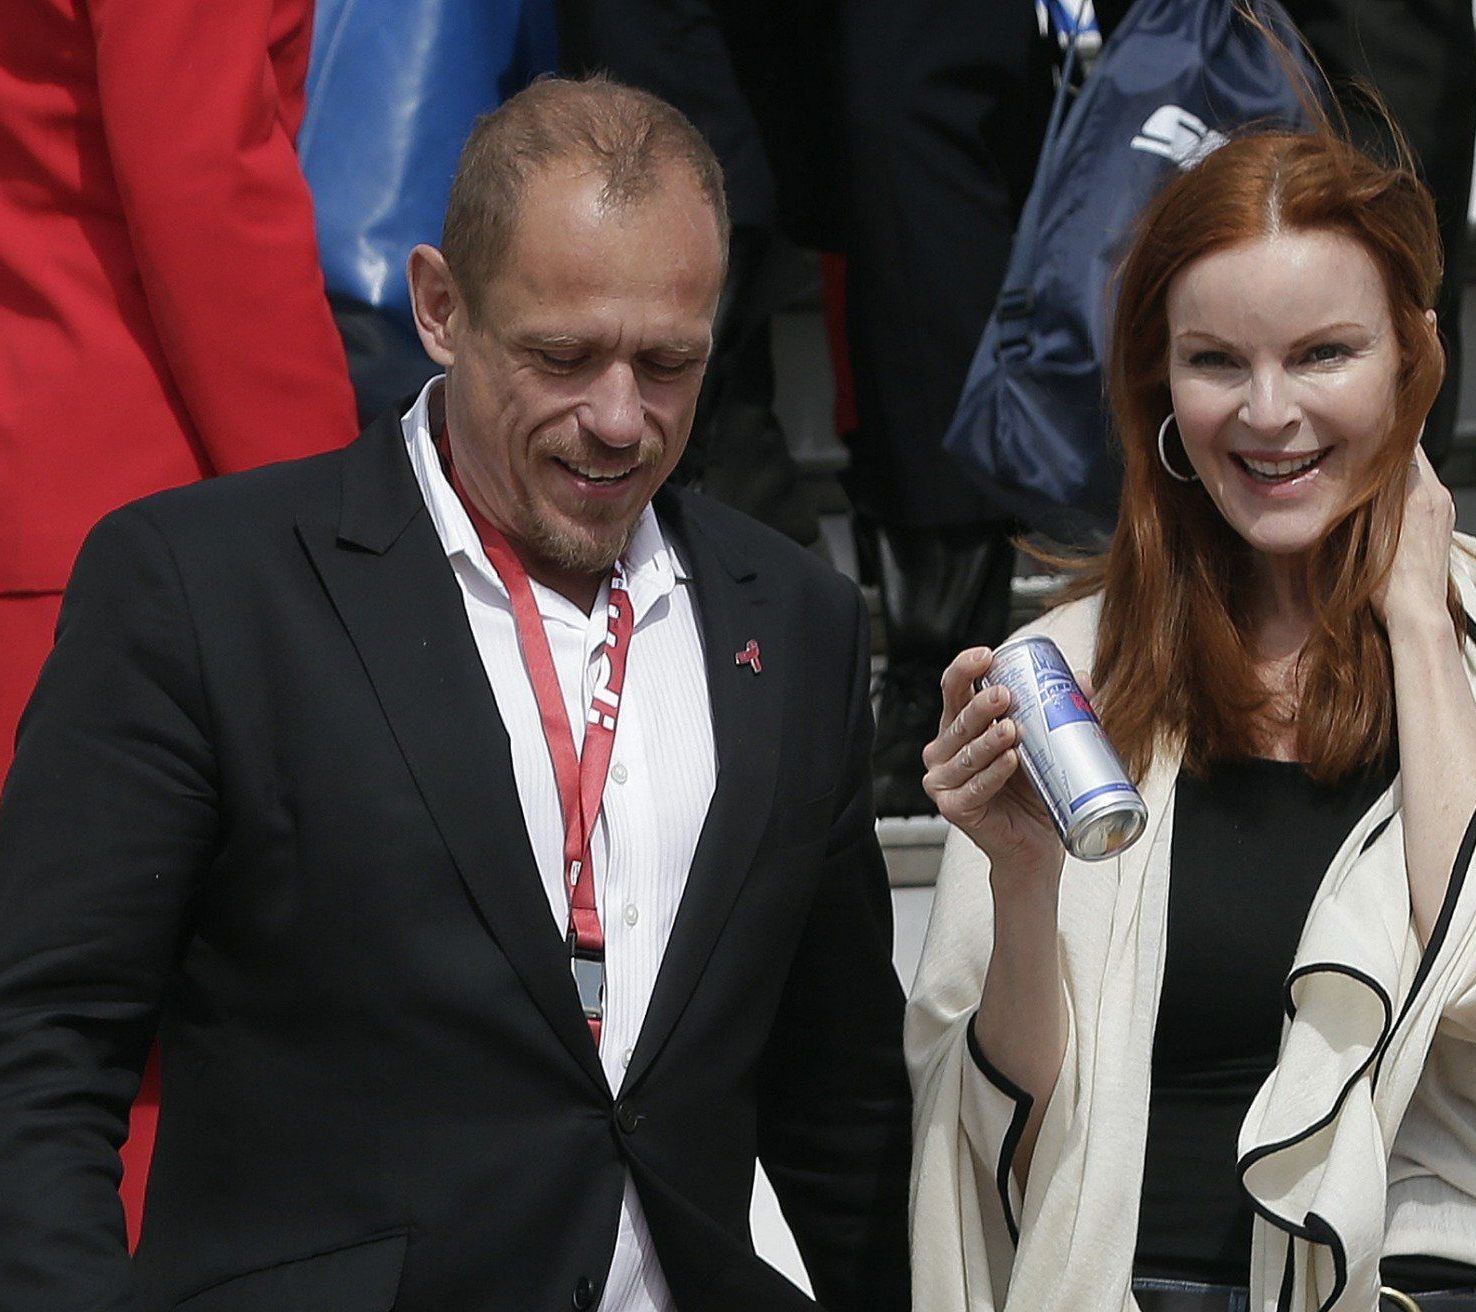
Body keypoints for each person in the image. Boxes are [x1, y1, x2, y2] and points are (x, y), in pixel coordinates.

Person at [0, 77, 911, 1312]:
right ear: (439, 306)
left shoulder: (792, 621)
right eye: (562, 355)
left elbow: (838, 1099)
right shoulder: (203, 586)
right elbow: (38, 1047)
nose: (618, 419)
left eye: (668, 364)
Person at [906, 126, 1476, 1312]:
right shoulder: (1066, 669)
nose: (1267, 413)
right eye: (1214, 362)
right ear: (1161, 380)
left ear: (1415, 359)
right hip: (1146, 1281)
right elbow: (1004, 1140)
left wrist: (1416, 612)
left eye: (1323, 354)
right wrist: (1025, 884)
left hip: (1448, 1284)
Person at [0, 0, 359, 1245]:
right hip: (123, 516)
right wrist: (342, 539)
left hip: (56, 493)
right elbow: (206, 184)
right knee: (120, 1060)